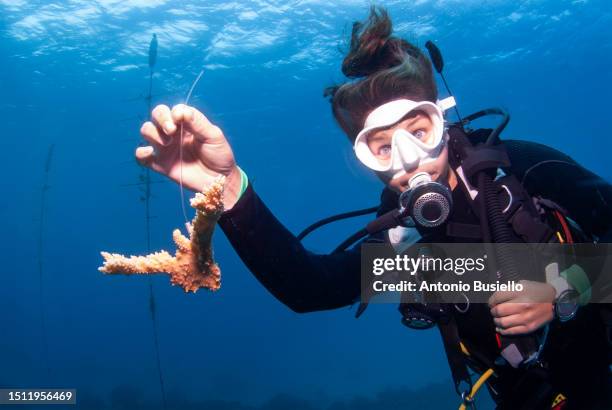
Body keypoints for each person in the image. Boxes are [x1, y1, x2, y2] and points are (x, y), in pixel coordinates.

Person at [135, 7, 612, 409]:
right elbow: (309, 288)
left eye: (419, 132)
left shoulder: (518, 167)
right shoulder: (404, 239)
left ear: (442, 119)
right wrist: (228, 187)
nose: (408, 160)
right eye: (381, 147)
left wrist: (564, 289)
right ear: (364, 157)